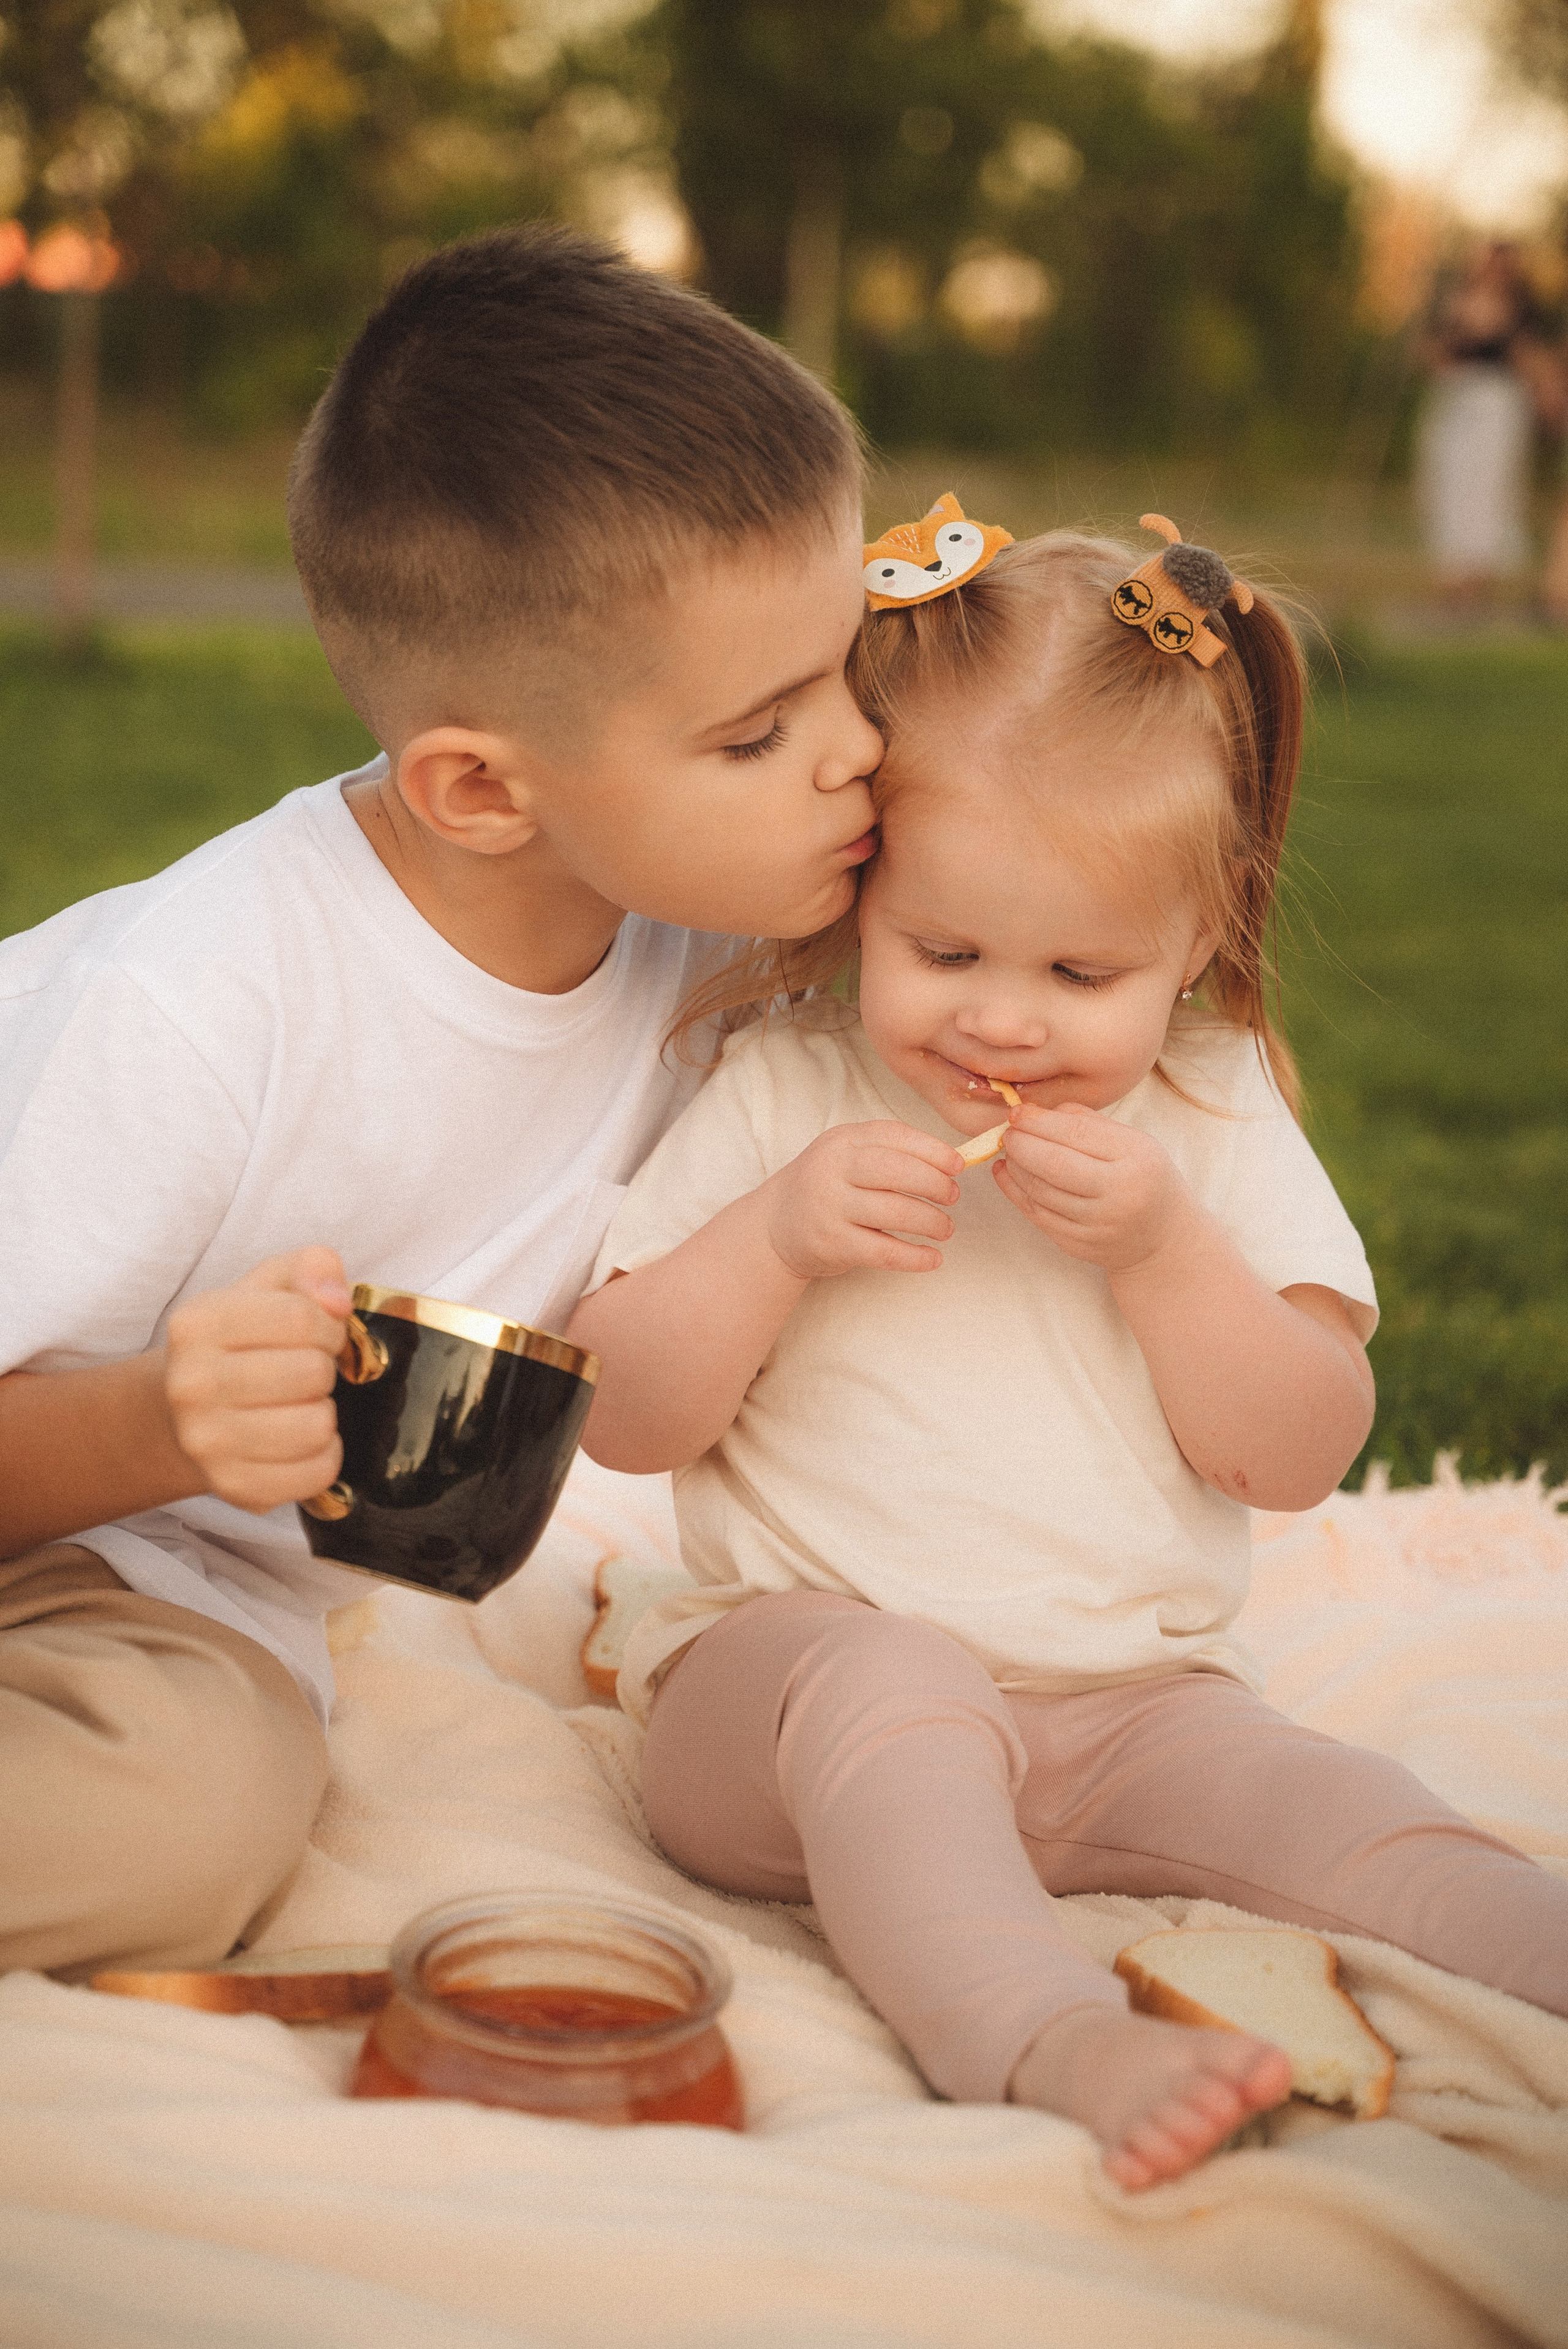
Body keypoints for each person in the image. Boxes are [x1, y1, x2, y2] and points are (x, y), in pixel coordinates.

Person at [567, 517, 1568, 2191]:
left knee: (1338, 1807)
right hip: (785, 1694)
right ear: (862, 888)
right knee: (897, 1687)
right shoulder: (791, 1090)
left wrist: (1171, 1254)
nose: (1003, 1021)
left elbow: (1301, 1449)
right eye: (944, 952)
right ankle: (1038, 2031)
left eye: (1081, 972)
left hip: (1130, 1710)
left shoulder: (1213, 1111)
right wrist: (774, 1238)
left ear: (1197, 936)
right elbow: (621, 1415)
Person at [0, 225, 883, 1979]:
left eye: (852, 668)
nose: (858, 750)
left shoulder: (701, 946)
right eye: (759, 733)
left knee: (207, 1769)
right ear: (483, 789)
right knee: (191, 1811)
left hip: (151, 1585)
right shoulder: (194, 1008)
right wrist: (164, 1431)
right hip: (64, 1481)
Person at [1415, 241, 1540, 613]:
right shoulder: (1455, 300)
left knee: (1487, 487)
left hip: (1495, 400)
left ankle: (1477, 579)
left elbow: (1523, 353)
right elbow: (1436, 348)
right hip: (1456, 395)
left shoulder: (1521, 309)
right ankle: (1454, 574)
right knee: (1449, 481)